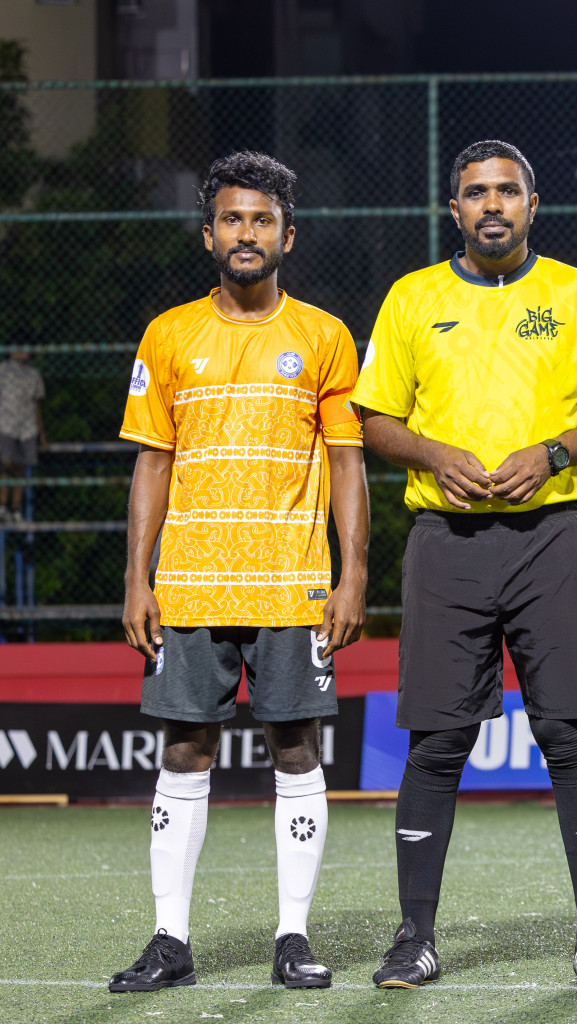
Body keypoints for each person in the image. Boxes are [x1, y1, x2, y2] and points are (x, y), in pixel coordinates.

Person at [353, 139, 577, 988]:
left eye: (507, 192)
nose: (492, 206)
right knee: (438, 742)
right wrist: (434, 454)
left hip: (553, 537)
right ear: (455, 210)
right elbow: (372, 420)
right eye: (475, 193)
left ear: (533, 204)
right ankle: (414, 936)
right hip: (447, 543)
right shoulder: (412, 299)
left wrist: (551, 452)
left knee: (567, 735)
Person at [112, 151, 369, 992]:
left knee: (293, 745)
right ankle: (169, 941)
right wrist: (136, 578)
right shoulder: (168, 334)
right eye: (232, 218)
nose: (246, 232)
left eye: (262, 219)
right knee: (184, 747)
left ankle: (293, 938)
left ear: (287, 235)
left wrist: (354, 573)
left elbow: (346, 465)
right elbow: (153, 463)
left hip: (292, 583)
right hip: (187, 582)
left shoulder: (324, 337)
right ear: (208, 233)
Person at [0, 349, 45, 522]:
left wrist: (41, 434)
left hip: (27, 428)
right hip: (6, 426)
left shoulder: (33, 374)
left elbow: (36, 405)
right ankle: (3, 506)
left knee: (21, 469)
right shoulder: (3, 370)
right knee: (5, 467)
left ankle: (15, 509)